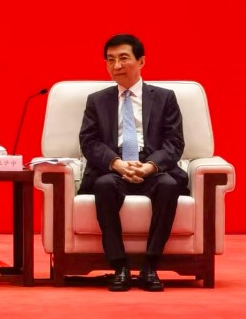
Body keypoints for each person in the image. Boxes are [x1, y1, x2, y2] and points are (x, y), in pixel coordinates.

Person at [78, 34, 185, 292]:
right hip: (113, 168)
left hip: (151, 166)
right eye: (110, 60)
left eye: (123, 58)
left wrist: (149, 166)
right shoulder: (97, 100)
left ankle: (150, 265)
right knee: (103, 186)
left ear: (141, 61)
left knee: (169, 185)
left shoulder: (164, 97)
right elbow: (89, 142)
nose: (116, 66)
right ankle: (119, 266)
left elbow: (174, 142)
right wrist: (116, 163)